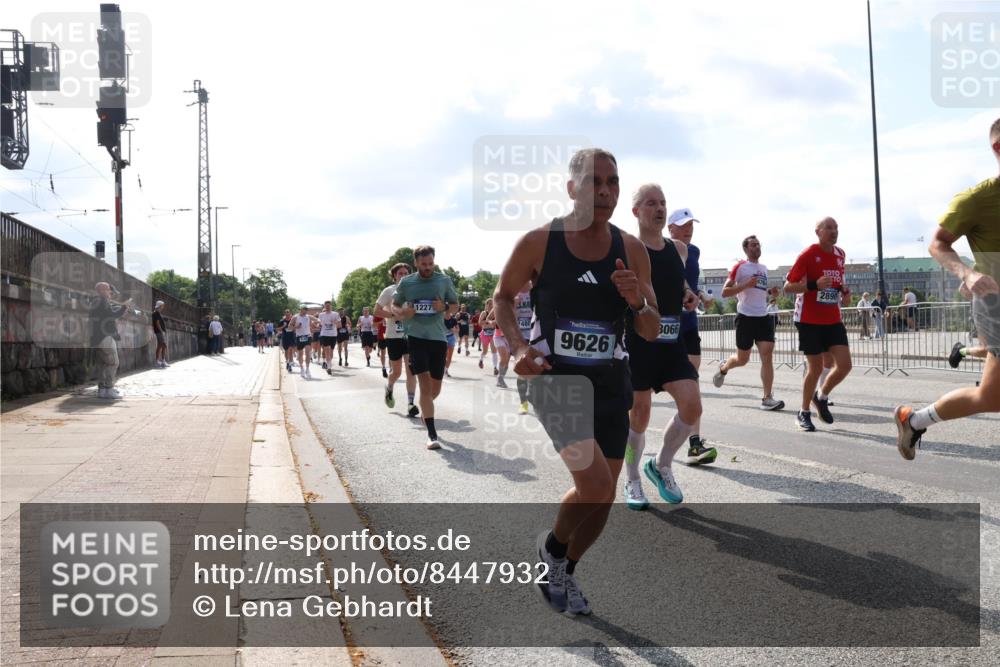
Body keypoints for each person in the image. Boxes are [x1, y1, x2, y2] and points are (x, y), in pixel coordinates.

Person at [494, 148, 660, 616]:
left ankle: (563, 566)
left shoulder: (631, 250)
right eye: (594, 182)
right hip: (554, 380)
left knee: (604, 496)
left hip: (610, 380)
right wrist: (520, 348)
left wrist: (637, 302)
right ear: (572, 189)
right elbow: (503, 298)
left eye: (612, 182)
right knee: (593, 484)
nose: (605, 191)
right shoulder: (540, 241)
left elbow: (649, 328)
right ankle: (551, 549)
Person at [895, 117, 1000, 457]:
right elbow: (937, 244)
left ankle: (914, 420)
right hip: (995, 305)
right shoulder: (976, 199)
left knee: (990, 397)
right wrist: (966, 274)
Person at [622, 184, 702, 510]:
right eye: (651, 203)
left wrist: (687, 292)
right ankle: (632, 479)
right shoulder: (626, 247)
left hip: (671, 343)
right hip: (638, 344)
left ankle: (661, 464)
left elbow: (678, 279)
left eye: (663, 203)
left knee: (692, 406)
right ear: (636, 211)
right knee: (638, 416)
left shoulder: (678, 249)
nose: (659, 208)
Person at [783, 217, 853, 432]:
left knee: (845, 365)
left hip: (832, 318)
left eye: (836, 228)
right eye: (829, 228)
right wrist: (814, 285)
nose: (834, 232)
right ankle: (803, 412)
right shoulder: (808, 254)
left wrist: (845, 294)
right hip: (809, 320)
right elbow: (788, 286)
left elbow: (838, 284)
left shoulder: (840, 254)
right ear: (818, 231)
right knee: (814, 368)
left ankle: (821, 397)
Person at [392, 245, 459, 450]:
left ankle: (425, 409)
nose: (428, 267)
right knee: (424, 385)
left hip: (438, 338)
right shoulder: (407, 282)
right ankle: (432, 434)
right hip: (415, 337)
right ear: (416, 263)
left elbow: (455, 305)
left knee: (434, 389)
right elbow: (394, 306)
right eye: (423, 264)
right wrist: (404, 312)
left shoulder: (444, 280)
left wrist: (445, 308)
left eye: (431, 263)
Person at [667, 207, 718, 464]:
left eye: (691, 225)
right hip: (661, 326)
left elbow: (690, 281)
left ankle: (694, 443)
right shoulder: (660, 248)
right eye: (683, 224)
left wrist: (702, 295)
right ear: (670, 228)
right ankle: (626, 434)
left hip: (687, 324)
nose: (689, 229)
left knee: (692, 383)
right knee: (640, 394)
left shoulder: (695, 251)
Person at [712, 235, 785, 410]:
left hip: (763, 317)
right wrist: (745, 285)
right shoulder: (740, 267)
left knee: (767, 356)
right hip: (745, 317)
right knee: (742, 359)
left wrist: (770, 292)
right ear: (745, 249)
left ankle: (767, 398)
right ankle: (724, 368)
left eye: (758, 244)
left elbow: (758, 290)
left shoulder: (764, 268)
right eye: (753, 245)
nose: (757, 247)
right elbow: (725, 292)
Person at [376, 263, 419, 417]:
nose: (403, 275)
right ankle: (389, 387)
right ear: (394, 276)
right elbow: (377, 311)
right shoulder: (389, 291)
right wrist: (393, 315)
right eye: (400, 273)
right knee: (397, 372)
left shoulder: (414, 290)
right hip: (394, 336)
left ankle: (410, 403)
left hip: (410, 335)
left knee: (411, 371)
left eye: (406, 273)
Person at [89, 282, 132, 399]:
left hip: (97, 339)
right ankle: (109, 389)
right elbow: (112, 315)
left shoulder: (96, 302)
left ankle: (102, 390)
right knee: (113, 362)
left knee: (103, 364)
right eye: (108, 290)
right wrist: (124, 307)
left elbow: (108, 314)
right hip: (105, 337)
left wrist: (121, 308)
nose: (110, 292)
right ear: (102, 290)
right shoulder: (102, 301)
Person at [292, 305, 319, 378]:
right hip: (299, 337)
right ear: (300, 309)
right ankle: (302, 368)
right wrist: (296, 327)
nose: (306, 310)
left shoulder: (308, 316)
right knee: (300, 354)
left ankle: (307, 368)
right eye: (305, 309)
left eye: (306, 309)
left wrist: (320, 321)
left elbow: (317, 319)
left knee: (308, 352)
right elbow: (289, 326)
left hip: (307, 336)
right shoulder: (295, 317)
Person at [478, 299, 498, 374]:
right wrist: (489, 322)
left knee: (494, 351)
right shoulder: (484, 313)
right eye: (489, 304)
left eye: (492, 304)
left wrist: (487, 323)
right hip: (485, 333)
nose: (490, 305)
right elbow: (480, 323)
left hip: (493, 334)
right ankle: (481, 359)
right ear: (486, 305)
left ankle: (495, 367)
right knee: (485, 351)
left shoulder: (495, 312)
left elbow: (497, 322)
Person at [318, 301, 339, 374]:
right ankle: (329, 367)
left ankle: (329, 363)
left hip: (333, 335)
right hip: (324, 334)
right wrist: (319, 325)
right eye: (326, 306)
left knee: (331, 352)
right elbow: (319, 324)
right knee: (327, 351)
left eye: (328, 306)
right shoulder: (321, 315)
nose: (327, 307)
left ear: (331, 306)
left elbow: (339, 325)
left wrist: (335, 322)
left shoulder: (335, 314)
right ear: (324, 306)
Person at [152, 300, 169, 368]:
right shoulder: (156, 313)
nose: (163, 307)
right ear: (159, 306)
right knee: (161, 345)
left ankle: (163, 361)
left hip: (160, 332)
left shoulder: (158, 313)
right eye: (162, 306)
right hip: (159, 332)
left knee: (163, 345)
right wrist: (162, 331)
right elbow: (157, 323)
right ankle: (157, 362)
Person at [443, 311, 459, 377]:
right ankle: (442, 369)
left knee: (449, 356)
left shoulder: (454, 319)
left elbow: (458, 329)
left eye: (449, 312)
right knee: (444, 355)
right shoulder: (441, 319)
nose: (447, 314)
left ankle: (446, 370)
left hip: (451, 337)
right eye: (446, 312)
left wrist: (454, 330)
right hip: (443, 338)